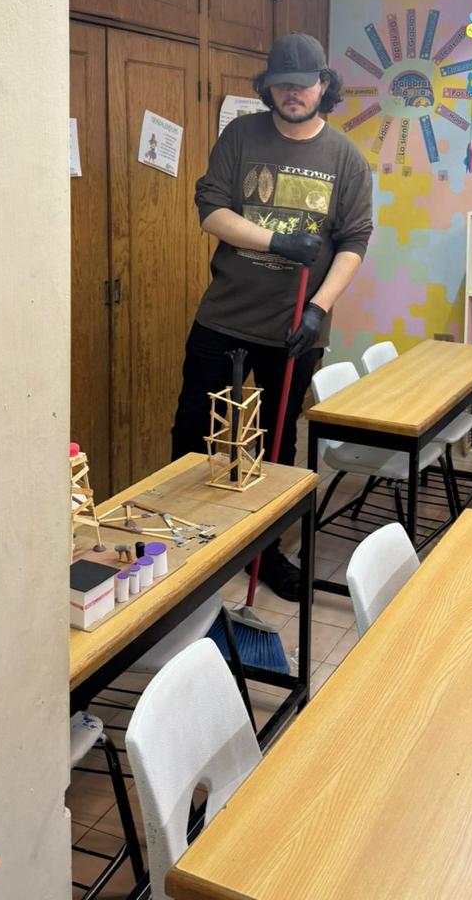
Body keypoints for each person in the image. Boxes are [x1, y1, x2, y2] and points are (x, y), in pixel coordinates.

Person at [171, 33, 373, 601]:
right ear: (268, 88)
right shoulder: (241, 136)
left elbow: (355, 242)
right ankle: (186, 544)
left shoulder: (345, 158)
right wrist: (277, 241)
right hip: (224, 318)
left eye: (303, 85)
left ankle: (267, 551)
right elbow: (211, 211)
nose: (293, 94)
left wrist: (318, 309)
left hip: (294, 327)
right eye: (282, 85)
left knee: (277, 446)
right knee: (192, 432)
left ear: (323, 86)